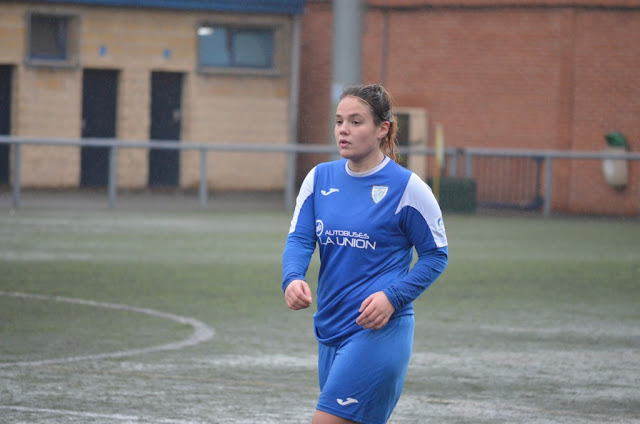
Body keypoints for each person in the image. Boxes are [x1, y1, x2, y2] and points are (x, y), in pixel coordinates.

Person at [282, 83, 448, 424]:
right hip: (330, 326)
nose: (344, 130)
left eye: (356, 122)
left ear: (382, 129)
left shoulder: (408, 187)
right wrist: (292, 277)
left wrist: (392, 297)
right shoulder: (319, 178)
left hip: (378, 331)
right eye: (339, 121)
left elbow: (435, 256)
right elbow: (300, 239)